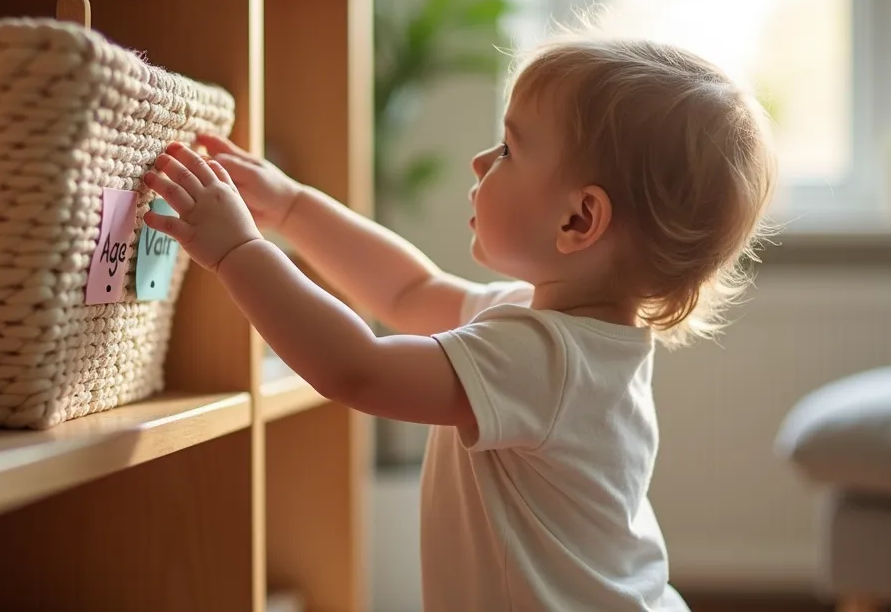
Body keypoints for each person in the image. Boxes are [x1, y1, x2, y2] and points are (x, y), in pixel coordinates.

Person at [142, 33, 776, 611]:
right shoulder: (544, 330)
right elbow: (409, 290)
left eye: (508, 148)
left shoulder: (541, 360)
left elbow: (355, 370)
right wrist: (295, 208)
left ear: (578, 221)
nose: (479, 161)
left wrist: (237, 252)